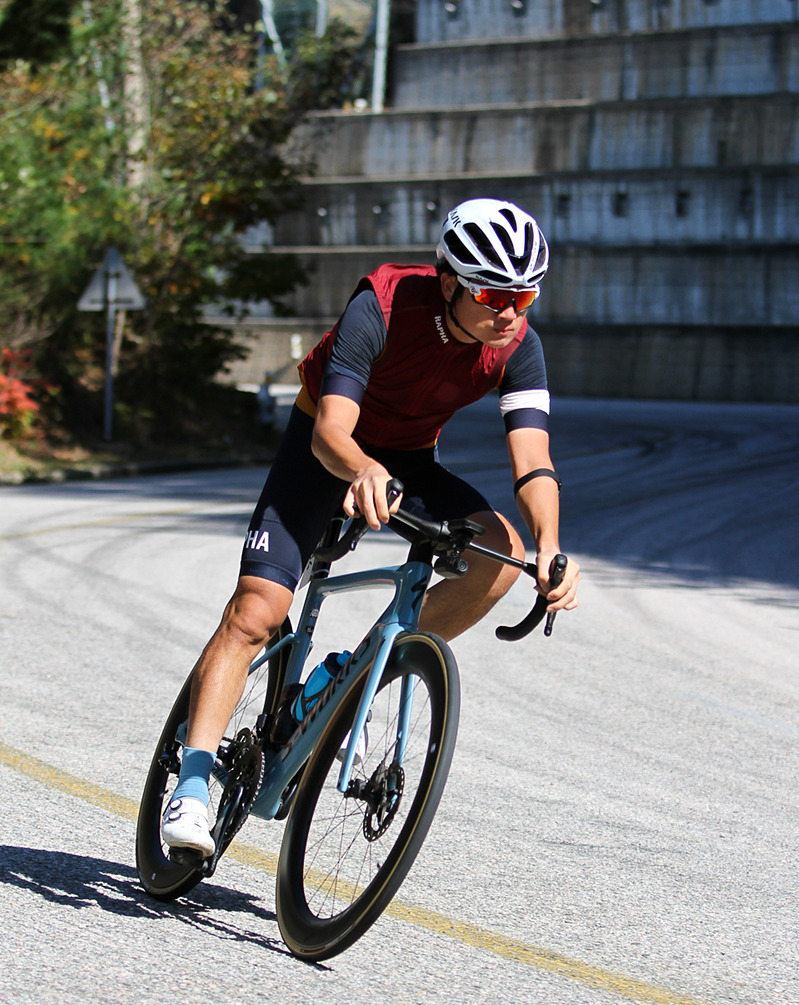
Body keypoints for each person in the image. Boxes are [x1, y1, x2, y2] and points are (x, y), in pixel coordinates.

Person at [162, 197, 580, 855]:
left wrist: (551, 547)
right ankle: (190, 787)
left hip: (409, 459)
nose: (509, 313)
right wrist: (360, 468)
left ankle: (354, 675)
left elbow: (533, 459)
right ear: (449, 282)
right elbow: (330, 429)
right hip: (325, 447)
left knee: (501, 554)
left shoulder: (517, 346)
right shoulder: (383, 303)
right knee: (255, 613)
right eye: (493, 295)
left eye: (524, 298)